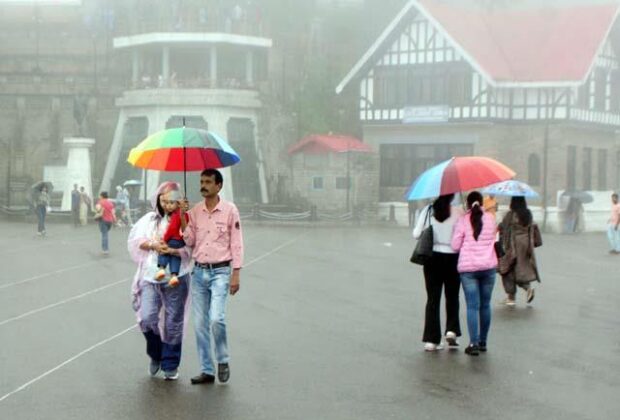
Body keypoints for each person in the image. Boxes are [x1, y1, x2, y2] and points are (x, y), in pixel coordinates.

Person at [181, 169, 244, 384]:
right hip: (199, 272)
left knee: (217, 318)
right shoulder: (195, 211)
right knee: (199, 324)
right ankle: (207, 370)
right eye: (201, 181)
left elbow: (236, 242)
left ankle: (223, 359)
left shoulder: (229, 210)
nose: (204, 185)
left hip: (220, 272)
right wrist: (183, 217)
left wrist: (236, 272)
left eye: (208, 182)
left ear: (219, 186)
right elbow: (188, 241)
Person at [128, 181, 192, 381]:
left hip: (177, 276)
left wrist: (173, 250)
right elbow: (136, 241)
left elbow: (192, 244)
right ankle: (156, 354)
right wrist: (154, 245)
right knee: (147, 318)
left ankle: (170, 363)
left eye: (171, 201)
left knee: (174, 321)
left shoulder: (186, 220)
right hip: (150, 275)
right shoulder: (149, 220)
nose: (166, 205)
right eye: (163, 201)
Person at [413, 194, 464, 352]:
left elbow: (416, 234)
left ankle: (431, 340)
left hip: (432, 258)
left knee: (433, 299)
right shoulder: (458, 212)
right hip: (453, 258)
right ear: (452, 197)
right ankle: (451, 330)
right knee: (452, 296)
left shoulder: (428, 211)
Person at [451, 191, 497, 356]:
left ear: (468, 204)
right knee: (485, 305)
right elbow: (495, 239)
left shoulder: (463, 220)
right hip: (488, 267)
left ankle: (473, 343)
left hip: (469, 269)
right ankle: (483, 342)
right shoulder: (491, 219)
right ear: (481, 203)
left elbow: (455, 245)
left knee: (472, 306)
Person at [498, 197, 542, 305]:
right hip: (526, 245)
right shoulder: (528, 214)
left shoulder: (510, 214)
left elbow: (503, 228)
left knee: (507, 269)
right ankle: (528, 289)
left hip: (512, 245)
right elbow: (533, 227)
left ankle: (511, 297)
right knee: (520, 269)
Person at [155, 191, 189, 287]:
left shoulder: (175, 214)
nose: (168, 206)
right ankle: (174, 276)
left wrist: (165, 239)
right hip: (181, 242)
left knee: (164, 252)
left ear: (178, 204)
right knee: (175, 257)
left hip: (173, 239)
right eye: (167, 203)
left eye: (171, 203)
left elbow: (172, 229)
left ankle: (161, 269)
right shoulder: (185, 214)